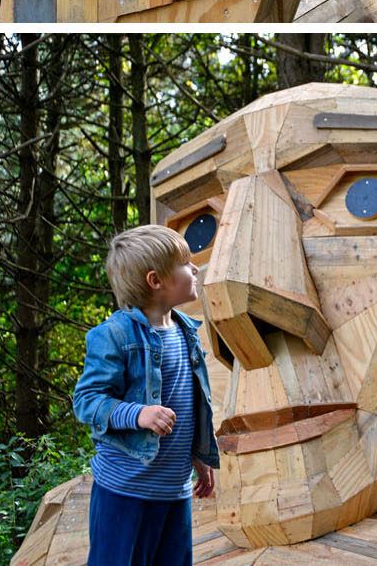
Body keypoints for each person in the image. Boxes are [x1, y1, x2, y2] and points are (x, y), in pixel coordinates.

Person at [73, 226, 219, 566]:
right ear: (156, 281)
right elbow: (87, 399)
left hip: (174, 491)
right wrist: (138, 414)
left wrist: (199, 454)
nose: (194, 268)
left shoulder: (187, 331)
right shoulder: (114, 335)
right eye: (184, 263)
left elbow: (190, 402)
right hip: (125, 493)